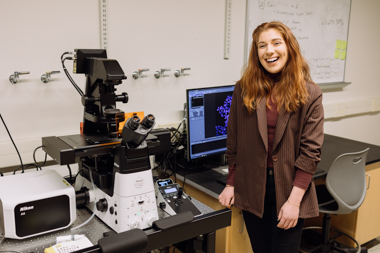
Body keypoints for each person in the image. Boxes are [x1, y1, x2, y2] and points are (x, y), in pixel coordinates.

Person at [218, 21, 324, 253]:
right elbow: (233, 141)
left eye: (277, 43)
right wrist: (231, 183)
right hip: (252, 186)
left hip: (290, 188)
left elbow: (310, 153)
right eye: (262, 45)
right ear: (256, 53)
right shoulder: (243, 89)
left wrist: (294, 202)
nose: (269, 51)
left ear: (289, 47)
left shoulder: (310, 93)